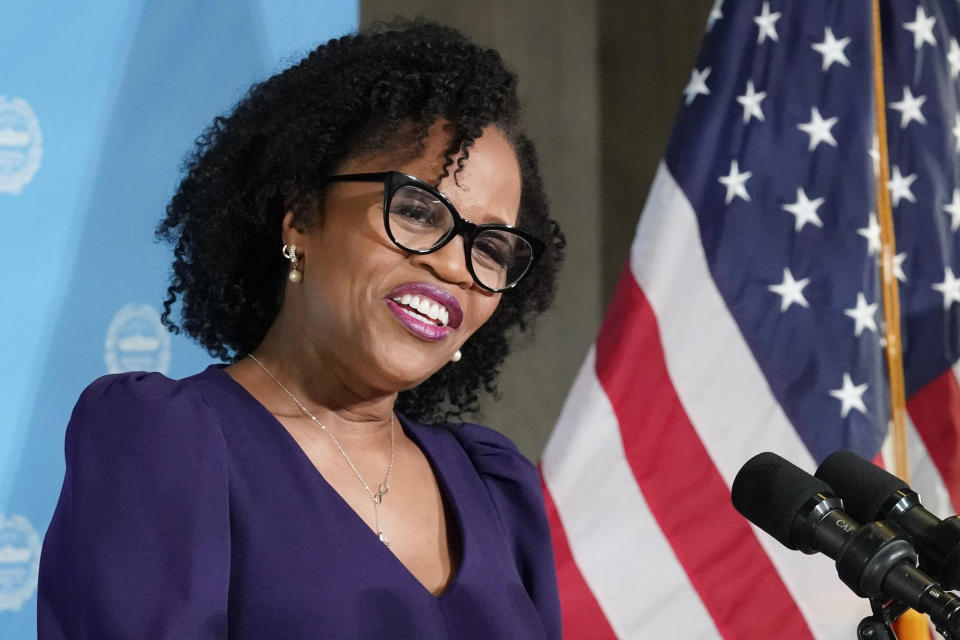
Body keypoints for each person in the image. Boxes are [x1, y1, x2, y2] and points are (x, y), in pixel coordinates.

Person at [37, 18, 565, 640]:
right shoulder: (170, 443)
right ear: (301, 216)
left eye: (493, 247)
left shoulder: (495, 488)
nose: (454, 264)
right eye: (419, 212)